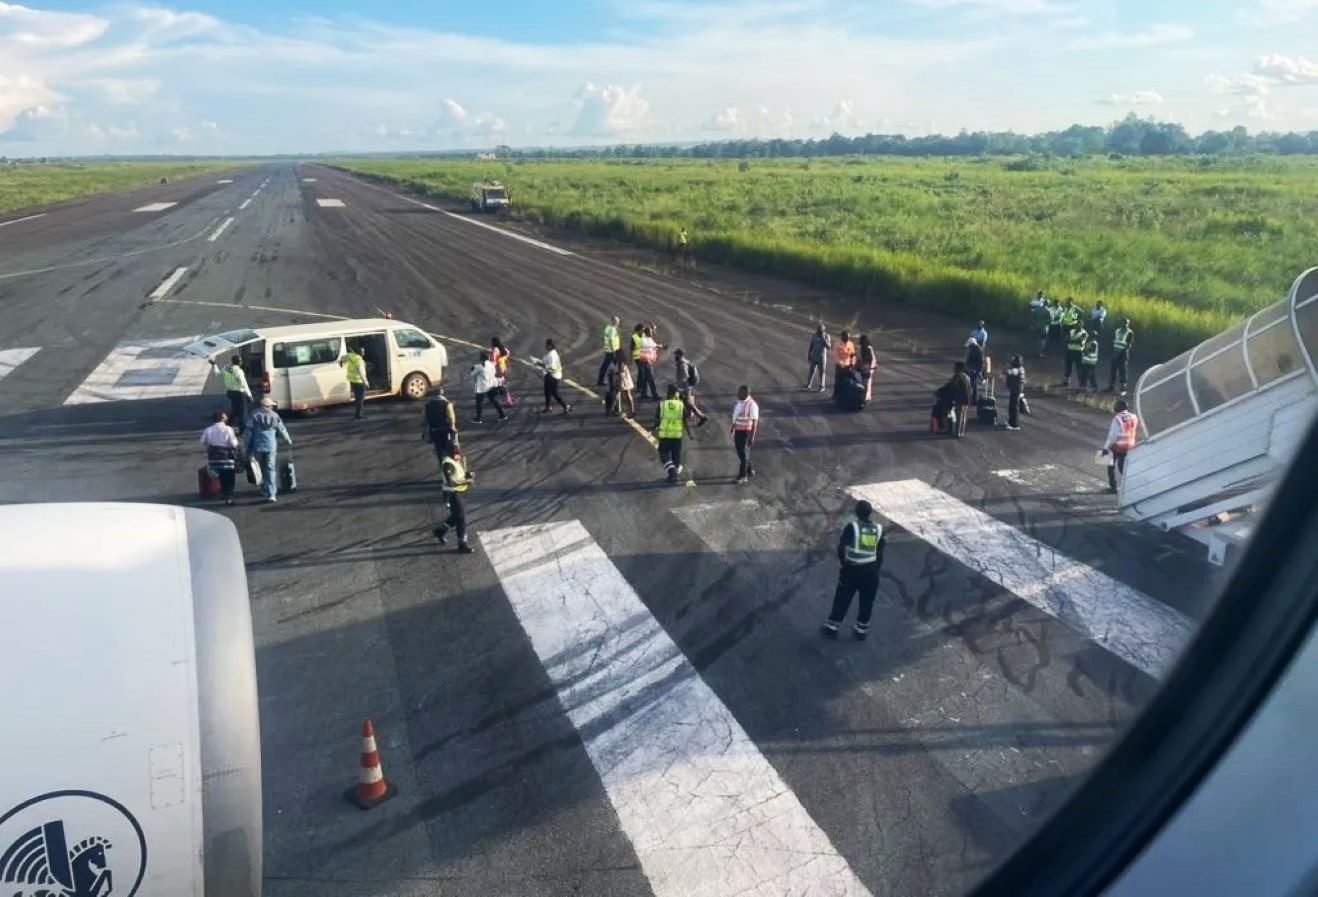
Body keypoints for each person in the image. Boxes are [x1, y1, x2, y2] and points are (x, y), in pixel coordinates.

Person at [821, 500, 886, 641]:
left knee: (842, 598)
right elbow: (880, 552)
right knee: (867, 601)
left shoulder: (853, 527)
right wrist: (876, 569)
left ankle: (833, 626)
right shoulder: (878, 529)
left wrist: (845, 564)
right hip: (871, 573)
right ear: (870, 513)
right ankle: (861, 629)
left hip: (853, 571)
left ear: (857, 512)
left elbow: (841, 548)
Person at [244, 396, 292, 503]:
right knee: (270, 469)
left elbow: (248, 433)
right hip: (271, 446)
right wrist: (287, 439)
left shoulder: (254, 415)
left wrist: (246, 447)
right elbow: (281, 429)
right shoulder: (275, 416)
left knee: (260, 468)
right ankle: (272, 494)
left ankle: (264, 489)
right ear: (268, 406)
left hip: (258, 446)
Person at [433, 443, 474, 554]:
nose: (458, 453)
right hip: (452, 494)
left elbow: (459, 475)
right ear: (450, 452)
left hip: (460, 492)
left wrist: (467, 475)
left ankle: (440, 531)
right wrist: (467, 481)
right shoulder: (447, 464)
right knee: (461, 518)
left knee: (456, 515)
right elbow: (451, 482)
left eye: (458, 450)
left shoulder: (455, 461)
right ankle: (462, 543)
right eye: (455, 451)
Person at [199, 410, 240, 506]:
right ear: (222, 418)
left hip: (214, 459)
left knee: (221, 477)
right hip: (227, 459)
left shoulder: (208, 429)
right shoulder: (228, 429)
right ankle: (228, 497)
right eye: (226, 416)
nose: (227, 418)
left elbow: (202, 442)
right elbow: (234, 444)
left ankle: (223, 492)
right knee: (229, 478)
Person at [1101, 399, 1140, 494]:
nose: (1114, 407)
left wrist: (1105, 448)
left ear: (1120, 407)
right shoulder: (1134, 417)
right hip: (1130, 446)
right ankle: (1132, 485)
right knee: (1123, 467)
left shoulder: (1117, 418)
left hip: (1118, 446)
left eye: (1116, 405)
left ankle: (1113, 487)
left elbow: (1112, 436)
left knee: (1110, 465)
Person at [653, 383, 689, 484]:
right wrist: (689, 433)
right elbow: (685, 418)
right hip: (677, 436)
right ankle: (673, 475)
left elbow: (657, 419)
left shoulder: (662, 405)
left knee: (664, 455)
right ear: (676, 394)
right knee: (676, 456)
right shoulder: (681, 405)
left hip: (665, 436)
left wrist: (654, 429)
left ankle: (673, 474)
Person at [213, 355, 253, 434]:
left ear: (232, 361)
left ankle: (228, 426)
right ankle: (242, 430)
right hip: (239, 393)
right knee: (242, 412)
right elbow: (243, 384)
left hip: (230, 392)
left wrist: (214, 364)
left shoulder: (226, 368)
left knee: (235, 410)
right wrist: (249, 395)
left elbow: (216, 373)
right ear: (239, 362)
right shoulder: (238, 371)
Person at [533, 339, 571, 414]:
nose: (545, 346)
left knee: (551, 392)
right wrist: (540, 362)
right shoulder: (552, 353)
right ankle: (555, 406)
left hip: (553, 375)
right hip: (554, 375)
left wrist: (540, 365)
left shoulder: (551, 355)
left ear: (550, 345)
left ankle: (560, 406)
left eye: (546, 345)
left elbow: (551, 367)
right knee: (552, 392)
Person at [423, 384, 458, 464]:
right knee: (450, 447)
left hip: (434, 430)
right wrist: (453, 426)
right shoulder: (447, 404)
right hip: (445, 429)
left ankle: (442, 465)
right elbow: (451, 416)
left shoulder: (427, 405)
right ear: (442, 394)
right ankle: (452, 464)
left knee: (439, 449)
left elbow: (423, 419)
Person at [730, 385, 759, 484]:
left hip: (746, 432)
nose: (737, 393)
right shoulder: (739, 403)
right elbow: (736, 417)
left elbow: (755, 421)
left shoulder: (752, 405)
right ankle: (749, 468)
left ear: (745, 393)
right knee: (741, 452)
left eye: (739, 392)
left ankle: (742, 476)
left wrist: (752, 436)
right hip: (738, 431)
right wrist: (733, 428)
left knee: (743, 453)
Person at [673, 348, 709, 426]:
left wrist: (678, 384)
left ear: (679, 355)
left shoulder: (682, 363)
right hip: (686, 386)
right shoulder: (684, 361)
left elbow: (685, 375)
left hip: (685, 387)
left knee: (688, 403)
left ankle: (702, 417)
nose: (675, 356)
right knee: (687, 402)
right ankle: (690, 415)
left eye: (676, 354)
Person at [470, 352, 507, 423]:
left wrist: (472, 369)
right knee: (494, 400)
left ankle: (478, 419)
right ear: (488, 358)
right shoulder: (491, 365)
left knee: (479, 404)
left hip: (482, 388)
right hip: (491, 385)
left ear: (481, 358)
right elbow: (494, 372)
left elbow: (472, 375)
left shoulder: (479, 367)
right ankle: (502, 415)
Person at [341, 345, 368, 420]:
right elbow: (361, 372)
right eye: (362, 351)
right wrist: (365, 382)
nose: (364, 352)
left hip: (352, 380)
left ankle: (358, 412)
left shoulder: (350, 355)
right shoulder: (359, 360)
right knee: (360, 399)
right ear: (359, 352)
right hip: (359, 381)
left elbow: (343, 357)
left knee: (357, 397)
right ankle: (359, 414)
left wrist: (341, 363)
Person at [637, 325, 663, 400]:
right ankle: (655, 395)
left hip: (646, 361)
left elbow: (654, 345)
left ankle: (643, 394)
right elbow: (651, 346)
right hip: (645, 361)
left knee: (645, 378)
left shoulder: (647, 338)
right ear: (647, 333)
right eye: (651, 332)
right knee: (651, 379)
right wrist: (658, 346)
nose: (652, 334)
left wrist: (653, 328)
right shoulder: (644, 340)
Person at [949, 361, 974, 438]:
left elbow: (953, 386)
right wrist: (969, 400)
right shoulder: (967, 377)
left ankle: (957, 432)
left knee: (959, 416)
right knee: (964, 416)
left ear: (958, 368)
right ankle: (962, 431)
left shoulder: (958, 377)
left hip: (959, 399)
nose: (954, 368)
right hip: (966, 398)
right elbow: (969, 390)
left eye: (955, 367)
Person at [1060, 321, 1088, 387]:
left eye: (1080, 325)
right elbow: (1066, 339)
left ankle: (1080, 383)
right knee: (1068, 366)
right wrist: (1074, 341)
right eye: (1077, 324)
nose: (1078, 326)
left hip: (1078, 352)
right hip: (1070, 351)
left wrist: (1071, 340)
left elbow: (1080, 341)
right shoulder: (1072, 331)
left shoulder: (1084, 333)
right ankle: (1066, 381)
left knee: (1079, 368)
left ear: (1082, 325)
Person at [1109, 318, 1133, 394]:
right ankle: (1111, 387)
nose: (1124, 324)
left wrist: (1119, 353)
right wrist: (1114, 352)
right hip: (1115, 352)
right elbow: (1114, 340)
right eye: (1123, 323)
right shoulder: (1117, 330)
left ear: (1128, 324)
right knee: (1113, 370)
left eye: (1126, 323)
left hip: (1123, 354)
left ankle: (1123, 389)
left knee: (1123, 371)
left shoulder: (1129, 332)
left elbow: (1128, 345)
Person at [805, 323, 831, 392]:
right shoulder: (814, 335)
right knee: (811, 370)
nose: (818, 331)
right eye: (818, 329)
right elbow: (811, 345)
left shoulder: (826, 336)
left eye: (820, 330)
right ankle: (809, 384)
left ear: (823, 330)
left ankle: (822, 386)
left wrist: (823, 338)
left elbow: (828, 347)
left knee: (821, 372)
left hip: (821, 357)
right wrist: (809, 354)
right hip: (814, 355)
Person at [596, 315, 621, 386]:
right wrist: (614, 351)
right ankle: (611, 381)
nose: (618, 323)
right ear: (613, 321)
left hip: (609, 350)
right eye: (616, 321)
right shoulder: (612, 329)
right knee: (611, 366)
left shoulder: (608, 327)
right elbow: (611, 340)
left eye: (618, 321)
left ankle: (601, 380)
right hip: (612, 351)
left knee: (606, 366)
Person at [1004, 355, 1025, 431]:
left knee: (1013, 408)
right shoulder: (1021, 369)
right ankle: (1011, 422)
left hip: (1016, 390)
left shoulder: (1017, 370)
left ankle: (1014, 424)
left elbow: (1006, 372)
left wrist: (1008, 367)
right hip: (1017, 390)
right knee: (1013, 407)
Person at [490, 337, 513, 407]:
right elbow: (508, 353)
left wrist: (488, 362)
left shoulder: (495, 350)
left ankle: (508, 401)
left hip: (498, 370)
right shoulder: (503, 349)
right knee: (500, 384)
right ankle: (502, 396)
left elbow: (493, 361)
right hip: (503, 368)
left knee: (502, 385)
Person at [964, 337, 985, 404]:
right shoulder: (975, 350)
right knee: (971, 384)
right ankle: (972, 398)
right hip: (972, 369)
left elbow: (980, 362)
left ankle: (974, 399)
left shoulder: (977, 351)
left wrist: (978, 371)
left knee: (974, 384)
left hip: (974, 369)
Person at [857, 334, 877, 405]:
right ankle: (866, 397)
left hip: (866, 367)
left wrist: (870, 367)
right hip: (866, 366)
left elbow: (871, 359)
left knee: (865, 383)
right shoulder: (867, 347)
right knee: (866, 383)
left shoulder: (866, 348)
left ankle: (865, 397)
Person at [618, 349, 636, 419]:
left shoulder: (621, 364)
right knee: (628, 396)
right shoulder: (624, 362)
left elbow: (621, 374)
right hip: (627, 381)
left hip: (624, 382)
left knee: (627, 397)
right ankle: (631, 411)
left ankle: (630, 412)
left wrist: (619, 383)